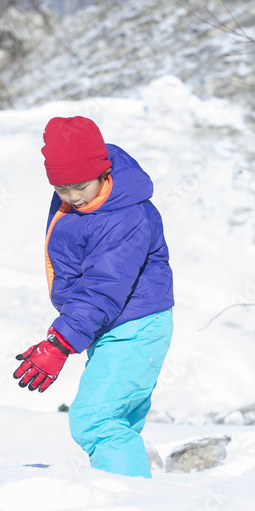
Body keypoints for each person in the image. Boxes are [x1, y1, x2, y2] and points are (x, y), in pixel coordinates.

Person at [13, 115, 175, 478]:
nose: (72, 196)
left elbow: (103, 287)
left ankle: (126, 500)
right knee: (115, 421)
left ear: (103, 172)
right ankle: (130, 487)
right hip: (115, 325)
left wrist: (60, 343)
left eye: (80, 186)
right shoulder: (86, 202)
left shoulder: (124, 216)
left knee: (95, 418)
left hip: (134, 327)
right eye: (61, 188)